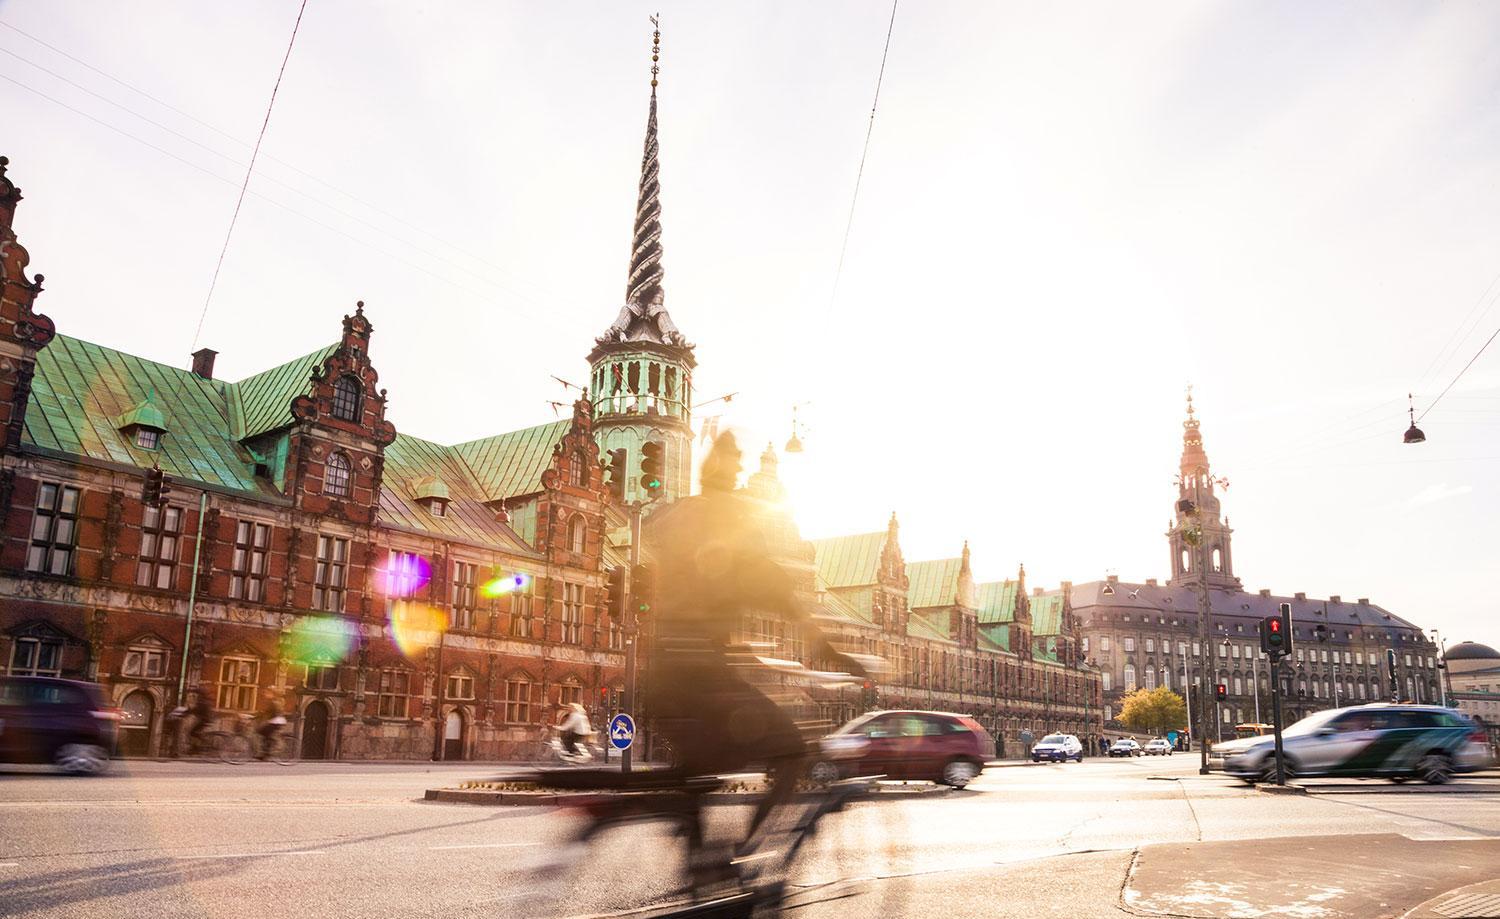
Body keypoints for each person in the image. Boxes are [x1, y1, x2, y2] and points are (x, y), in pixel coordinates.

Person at [643, 432, 867, 848]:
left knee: (696, 773)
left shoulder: (674, 515)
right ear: (732, 474)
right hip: (705, 676)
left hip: (658, 673)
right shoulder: (736, 521)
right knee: (791, 752)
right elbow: (783, 598)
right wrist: (831, 653)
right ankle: (744, 857)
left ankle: (701, 868)